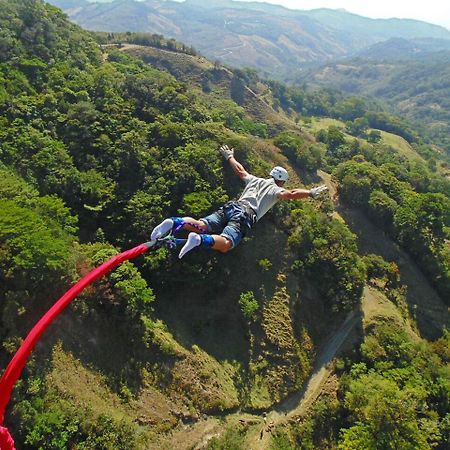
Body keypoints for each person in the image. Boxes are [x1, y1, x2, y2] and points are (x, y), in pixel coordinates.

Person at [150, 144, 328, 258]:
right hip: (244, 215)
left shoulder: (255, 179)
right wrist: (310, 193)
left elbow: (240, 171)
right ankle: (199, 240)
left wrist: (230, 157)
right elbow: (290, 194)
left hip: (231, 206)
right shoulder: (276, 189)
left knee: (202, 224)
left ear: (271, 175)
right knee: (226, 244)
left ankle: (174, 222)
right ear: (281, 181)